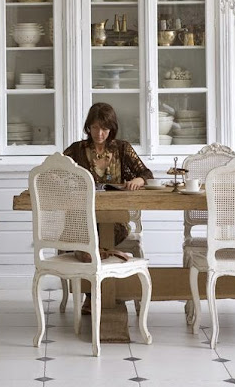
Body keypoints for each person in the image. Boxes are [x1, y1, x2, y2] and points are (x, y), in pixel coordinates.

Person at [63, 101, 154, 313]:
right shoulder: (77, 150)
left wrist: (139, 180)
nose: (99, 133)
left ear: (111, 128)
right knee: (87, 236)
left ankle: (104, 291)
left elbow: (147, 174)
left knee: (93, 243)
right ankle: (97, 292)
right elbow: (54, 172)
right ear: (88, 127)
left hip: (115, 221)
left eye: (104, 128)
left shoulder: (122, 149)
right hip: (82, 220)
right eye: (95, 127)